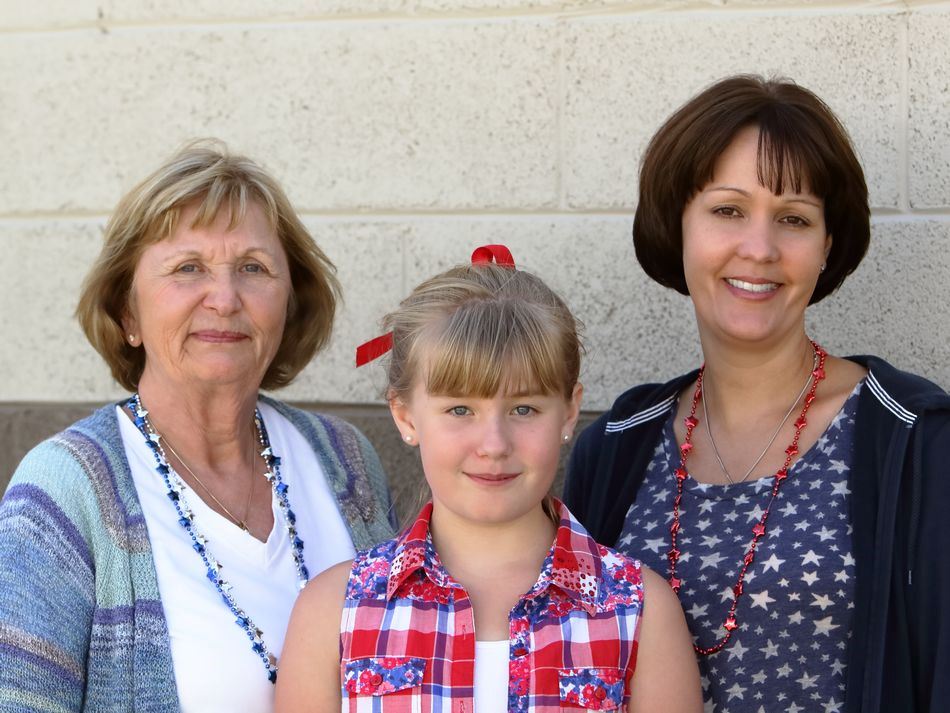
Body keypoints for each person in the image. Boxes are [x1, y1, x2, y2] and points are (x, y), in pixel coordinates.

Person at [564, 75, 950, 713]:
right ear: (677, 225)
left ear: (827, 245)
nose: (760, 248)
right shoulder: (616, 448)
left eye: (794, 219)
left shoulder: (913, 439)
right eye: (728, 210)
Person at [0, 141, 395, 712]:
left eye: (253, 269)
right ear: (128, 313)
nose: (225, 298)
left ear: (290, 302)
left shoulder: (344, 460)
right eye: (189, 268)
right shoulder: (64, 491)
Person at [275, 245, 702, 712]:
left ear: (570, 411)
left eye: (524, 409)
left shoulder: (638, 610)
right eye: (460, 409)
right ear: (405, 417)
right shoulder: (335, 612)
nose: (494, 443)